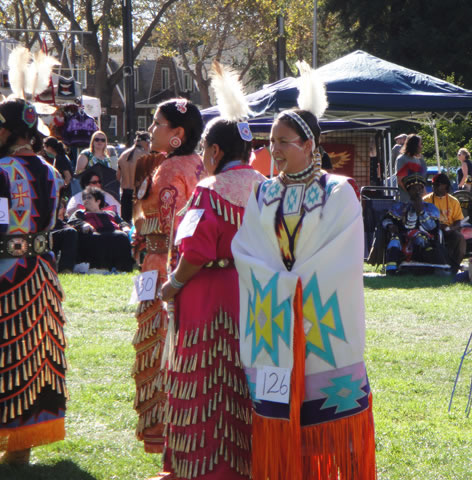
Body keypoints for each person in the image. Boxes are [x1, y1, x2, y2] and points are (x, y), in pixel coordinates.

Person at [232, 61, 376, 480]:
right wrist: (279, 284)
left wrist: (290, 285)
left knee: (324, 417)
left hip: (322, 317)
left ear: (309, 144)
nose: (274, 149)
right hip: (272, 320)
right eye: (270, 141)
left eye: (283, 141)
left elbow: (341, 254)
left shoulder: (338, 191)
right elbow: (247, 247)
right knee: (279, 415)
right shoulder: (262, 192)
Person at [158, 69, 265, 477]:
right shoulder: (267, 187)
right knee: (245, 378)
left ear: (216, 151)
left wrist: (173, 284)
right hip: (256, 296)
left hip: (209, 297)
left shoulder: (209, 190)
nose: (203, 156)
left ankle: (207, 468)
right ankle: (249, 464)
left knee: (207, 376)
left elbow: (197, 251)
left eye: (204, 148)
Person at [132, 98, 204, 454]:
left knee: (160, 349)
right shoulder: (198, 164)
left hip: (163, 268)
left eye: (157, 123)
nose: (151, 129)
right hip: (184, 267)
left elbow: (171, 226)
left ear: (178, 132)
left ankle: (165, 430)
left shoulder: (171, 168)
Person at [0, 97, 68, 465]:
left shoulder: (2, 171)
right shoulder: (51, 171)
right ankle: (20, 451)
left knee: (8, 354)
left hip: (8, 276)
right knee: (34, 355)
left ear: (6, 132)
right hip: (42, 273)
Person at [382, 172, 447, 274]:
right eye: (414, 189)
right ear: (409, 191)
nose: (417, 191)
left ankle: (429, 268)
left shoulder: (430, 207)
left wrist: (421, 212)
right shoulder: (399, 206)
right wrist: (390, 225)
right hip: (403, 236)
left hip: (425, 236)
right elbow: (386, 220)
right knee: (394, 240)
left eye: (420, 189)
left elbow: (432, 227)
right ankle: (391, 271)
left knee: (421, 239)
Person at [67, 187, 134, 272]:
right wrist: (83, 224)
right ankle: (100, 268)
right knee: (97, 238)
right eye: (84, 198)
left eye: (89, 198)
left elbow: (121, 222)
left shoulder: (111, 213)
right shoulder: (80, 213)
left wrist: (125, 227)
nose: (86, 200)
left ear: (98, 201)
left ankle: (122, 268)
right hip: (93, 234)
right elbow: (72, 221)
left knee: (122, 236)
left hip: (112, 232)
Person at [423, 173, 467, 272]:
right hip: (431, 230)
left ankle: (454, 266)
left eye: (437, 185)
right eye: (433, 185)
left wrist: (450, 228)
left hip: (448, 229)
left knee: (459, 238)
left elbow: (459, 221)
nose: (433, 187)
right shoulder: (426, 200)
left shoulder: (453, 201)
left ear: (445, 186)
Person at [117, 131, 151, 223]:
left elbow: (117, 177)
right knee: (138, 225)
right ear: (146, 142)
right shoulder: (145, 156)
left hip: (125, 195)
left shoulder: (123, 155)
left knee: (126, 224)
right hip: (138, 195)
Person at [395, 133, 426, 202]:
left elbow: (420, 180)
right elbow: (400, 180)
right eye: (420, 144)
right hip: (405, 201)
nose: (421, 146)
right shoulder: (402, 159)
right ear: (414, 145)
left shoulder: (417, 160)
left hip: (418, 201)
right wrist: (412, 194)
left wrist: (424, 196)